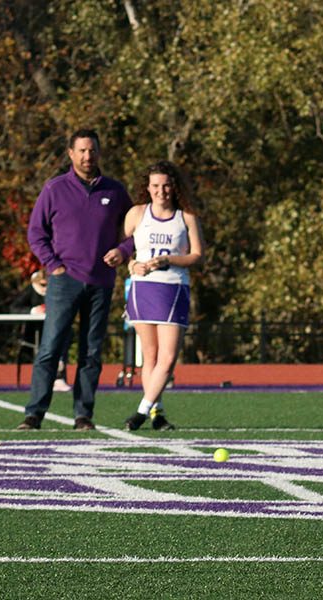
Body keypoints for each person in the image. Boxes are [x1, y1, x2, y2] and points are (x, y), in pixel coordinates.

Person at [17, 129, 133, 431]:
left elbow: (135, 231)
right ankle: (34, 414)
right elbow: (36, 233)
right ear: (71, 153)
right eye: (81, 150)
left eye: (92, 150)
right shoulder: (54, 189)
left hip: (101, 282)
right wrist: (53, 265)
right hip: (64, 281)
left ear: (99, 153)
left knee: (92, 351)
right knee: (51, 347)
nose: (87, 156)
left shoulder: (116, 191)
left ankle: (84, 415)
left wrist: (123, 251)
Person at [122, 160, 204, 431]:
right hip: (143, 288)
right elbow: (124, 248)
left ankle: (141, 411)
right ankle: (157, 413)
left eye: (166, 185)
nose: (161, 191)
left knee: (168, 359)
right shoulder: (137, 213)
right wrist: (132, 264)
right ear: (148, 187)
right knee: (150, 355)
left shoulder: (186, 217)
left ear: (174, 187)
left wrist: (170, 259)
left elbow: (196, 255)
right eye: (156, 185)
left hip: (173, 288)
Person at [9, 269, 71, 392]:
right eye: (42, 284)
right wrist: (32, 311)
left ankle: (58, 375)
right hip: (33, 332)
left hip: (56, 329)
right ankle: (43, 379)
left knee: (63, 339)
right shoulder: (30, 291)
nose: (45, 288)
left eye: (47, 284)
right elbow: (14, 307)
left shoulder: (58, 289)